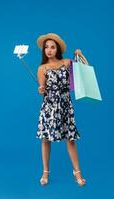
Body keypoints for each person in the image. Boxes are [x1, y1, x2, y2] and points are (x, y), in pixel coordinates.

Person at [36, 33, 88, 187]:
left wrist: (80, 55)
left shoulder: (66, 62)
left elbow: (84, 70)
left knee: (70, 139)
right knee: (45, 139)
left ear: (57, 49)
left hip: (65, 106)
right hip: (50, 107)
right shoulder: (42, 68)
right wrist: (41, 89)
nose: (49, 50)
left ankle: (77, 172)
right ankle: (45, 172)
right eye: (46, 47)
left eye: (52, 47)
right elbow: (42, 88)